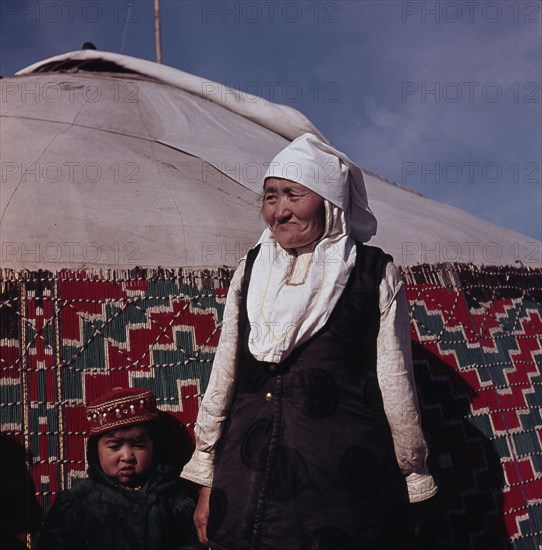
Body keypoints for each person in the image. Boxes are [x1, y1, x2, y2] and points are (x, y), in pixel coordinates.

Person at [181, 133, 437, 549]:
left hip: (342, 478)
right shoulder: (249, 271)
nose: (279, 212)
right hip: (244, 477)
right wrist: (207, 476)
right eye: (269, 197)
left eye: (292, 195)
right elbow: (224, 373)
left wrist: (413, 476)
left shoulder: (373, 272)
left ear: (330, 201)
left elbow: (396, 382)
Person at [37, 387, 202, 550]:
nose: (127, 456)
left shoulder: (172, 496)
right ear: (95, 451)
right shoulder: (76, 502)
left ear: (155, 447)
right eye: (115, 446)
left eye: (139, 445)